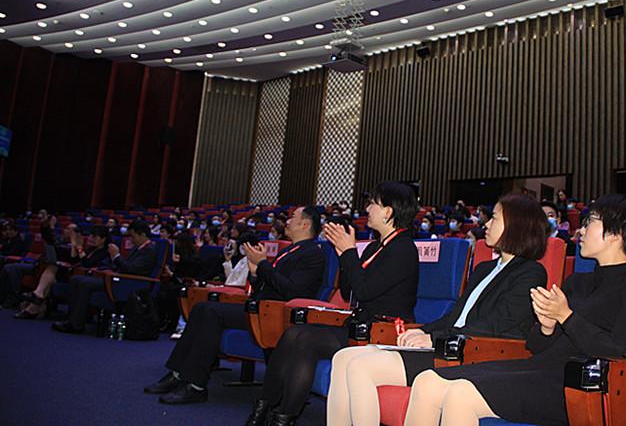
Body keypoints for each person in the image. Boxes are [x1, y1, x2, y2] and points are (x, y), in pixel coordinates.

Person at [404, 194, 626, 426]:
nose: (581, 230)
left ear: (616, 233)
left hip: (575, 385)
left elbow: (619, 351)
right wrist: (547, 327)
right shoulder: (577, 282)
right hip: (538, 368)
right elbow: (536, 346)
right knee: (427, 381)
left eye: (590, 222)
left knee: (461, 394)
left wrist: (566, 317)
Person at [327, 195, 549, 426]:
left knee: (360, 367)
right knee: (343, 357)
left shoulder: (530, 273)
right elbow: (456, 316)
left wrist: (433, 338)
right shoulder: (485, 269)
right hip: (449, 342)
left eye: (494, 218)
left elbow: (495, 325)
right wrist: (422, 331)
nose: (487, 224)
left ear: (516, 225)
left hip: (470, 351)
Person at [244, 181, 420, 426]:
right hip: (361, 326)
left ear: (388, 212)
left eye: (373, 204)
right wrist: (342, 254)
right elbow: (350, 292)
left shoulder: (403, 249)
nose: (367, 209)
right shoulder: (374, 247)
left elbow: (365, 291)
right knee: (293, 334)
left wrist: (348, 253)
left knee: (305, 339)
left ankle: (282, 418)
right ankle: (265, 407)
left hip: (384, 331)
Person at [144, 206, 325, 405]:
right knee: (201, 308)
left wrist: (263, 264)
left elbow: (291, 291)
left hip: (276, 315)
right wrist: (255, 273)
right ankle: (178, 373)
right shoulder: (290, 250)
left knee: (211, 312)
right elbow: (266, 286)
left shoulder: (312, 254)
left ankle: (195, 386)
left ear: (305, 224)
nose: (287, 221)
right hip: (261, 308)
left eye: (292, 217)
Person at [52, 220, 157, 334]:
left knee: (84, 283)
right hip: (119, 278)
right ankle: (72, 319)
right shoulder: (137, 248)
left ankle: (76, 325)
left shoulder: (149, 250)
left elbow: (130, 269)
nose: (131, 239)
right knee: (75, 279)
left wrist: (116, 256)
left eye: (133, 236)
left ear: (142, 234)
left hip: (130, 284)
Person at [16, 225, 117, 319]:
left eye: (94, 237)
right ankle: (35, 304)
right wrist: (74, 245)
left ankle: (36, 300)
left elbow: (87, 264)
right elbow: (74, 259)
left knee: (52, 271)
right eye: (90, 235)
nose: (90, 238)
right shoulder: (92, 249)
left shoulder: (105, 252)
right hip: (75, 274)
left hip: (85, 277)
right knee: (52, 270)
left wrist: (79, 247)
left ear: (103, 239)